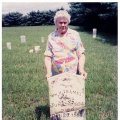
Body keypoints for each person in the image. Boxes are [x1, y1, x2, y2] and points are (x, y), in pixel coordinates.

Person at [44, 10, 87, 80]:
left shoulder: (75, 35)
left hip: (73, 75)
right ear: (56, 23)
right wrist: (49, 72)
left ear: (68, 23)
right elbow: (48, 57)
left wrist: (81, 69)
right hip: (56, 76)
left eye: (65, 22)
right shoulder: (51, 37)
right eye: (60, 23)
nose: (63, 25)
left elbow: (81, 54)